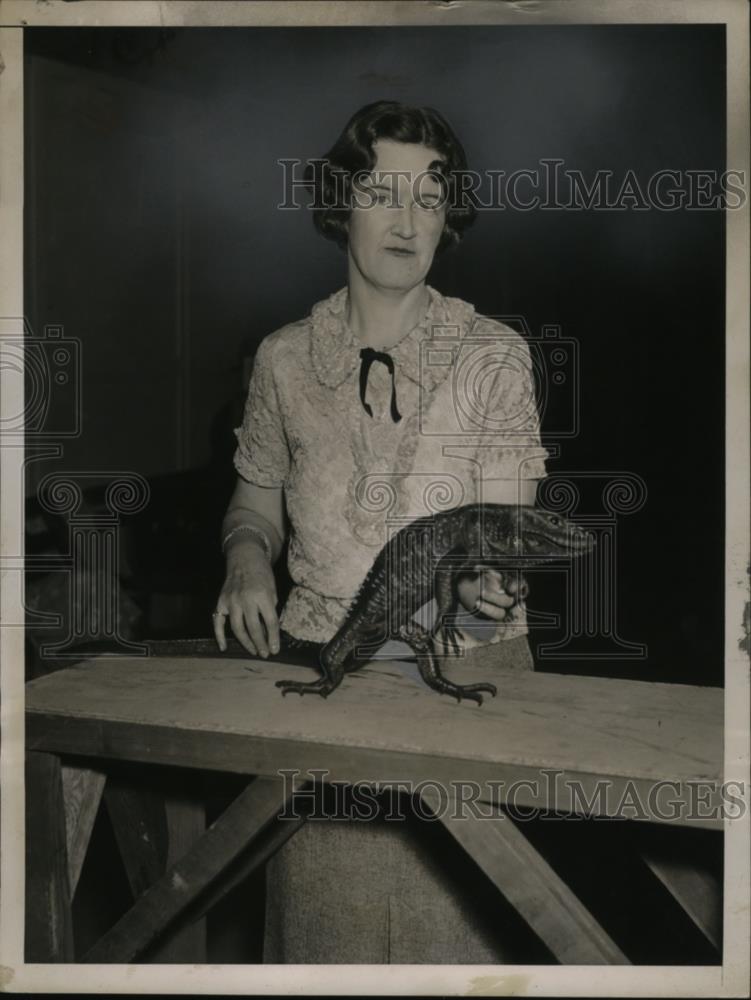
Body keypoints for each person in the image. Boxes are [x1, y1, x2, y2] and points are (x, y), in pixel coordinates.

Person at [213, 100, 549, 963]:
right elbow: (254, 507)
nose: (408, 221)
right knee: (327, 943)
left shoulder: (491, 355)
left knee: (463, 950)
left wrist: (484, 582)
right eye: (385, 194)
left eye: (430, 198)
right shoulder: (284, 359)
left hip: (466, 682)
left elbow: (508, 535)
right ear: (340, 206)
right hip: (320, 679)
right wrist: (247, 561)